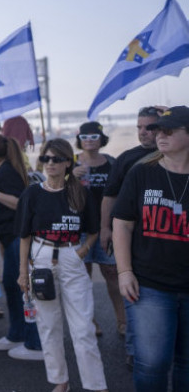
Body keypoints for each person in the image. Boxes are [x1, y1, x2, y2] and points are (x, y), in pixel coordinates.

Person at [17, 138, 107, 392]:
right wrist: (23, 273)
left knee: (83, 329)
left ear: (68, 162)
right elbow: (24, 235)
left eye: (57, 159)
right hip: (41, 257)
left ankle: (96, 385)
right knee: (49, 326)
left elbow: (93, 230)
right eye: (46, 158)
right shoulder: (32, 193)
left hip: (71, 257)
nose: (51, 163)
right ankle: (60, 381)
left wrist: (82, 251)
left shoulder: (80, 192)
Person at [112, 105, 189, 392]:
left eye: (169, 130)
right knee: (152, 363)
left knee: (187, 364)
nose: (159, 136)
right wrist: (124, 271)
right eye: (157, 130)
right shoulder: (142, 173)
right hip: (150, 285)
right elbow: (122, 223)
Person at [101, 105, 163, 368]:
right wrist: (105, 228)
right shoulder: (127, 159)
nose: (143, 132)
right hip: (134, 239)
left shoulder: (179, 154)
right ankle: (134, 349)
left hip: (170, 239)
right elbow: (110, 195)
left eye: (149, 127)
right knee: (134, 295)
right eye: (139, 127)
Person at [0, 133, 43, 361]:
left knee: (24, 290)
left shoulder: (7, 173)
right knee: (14, 287)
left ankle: (35, 343)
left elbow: (20, 203)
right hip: (10, 238)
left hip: (18, 238)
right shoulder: (0, 170)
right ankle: (17, 333)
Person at [72, 122, 125, 338]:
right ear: (80, 139)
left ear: (102, 138)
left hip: (105, 229)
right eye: (85, 136)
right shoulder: (70, 163)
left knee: (112, 274)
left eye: (94, 135)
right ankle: (90, 321)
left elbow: (121, 195)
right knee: (83, 278)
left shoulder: (112, 164)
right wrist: (70, 176)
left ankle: (122, 322)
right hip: (78, 230)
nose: (90, 139)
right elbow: (53, 191)